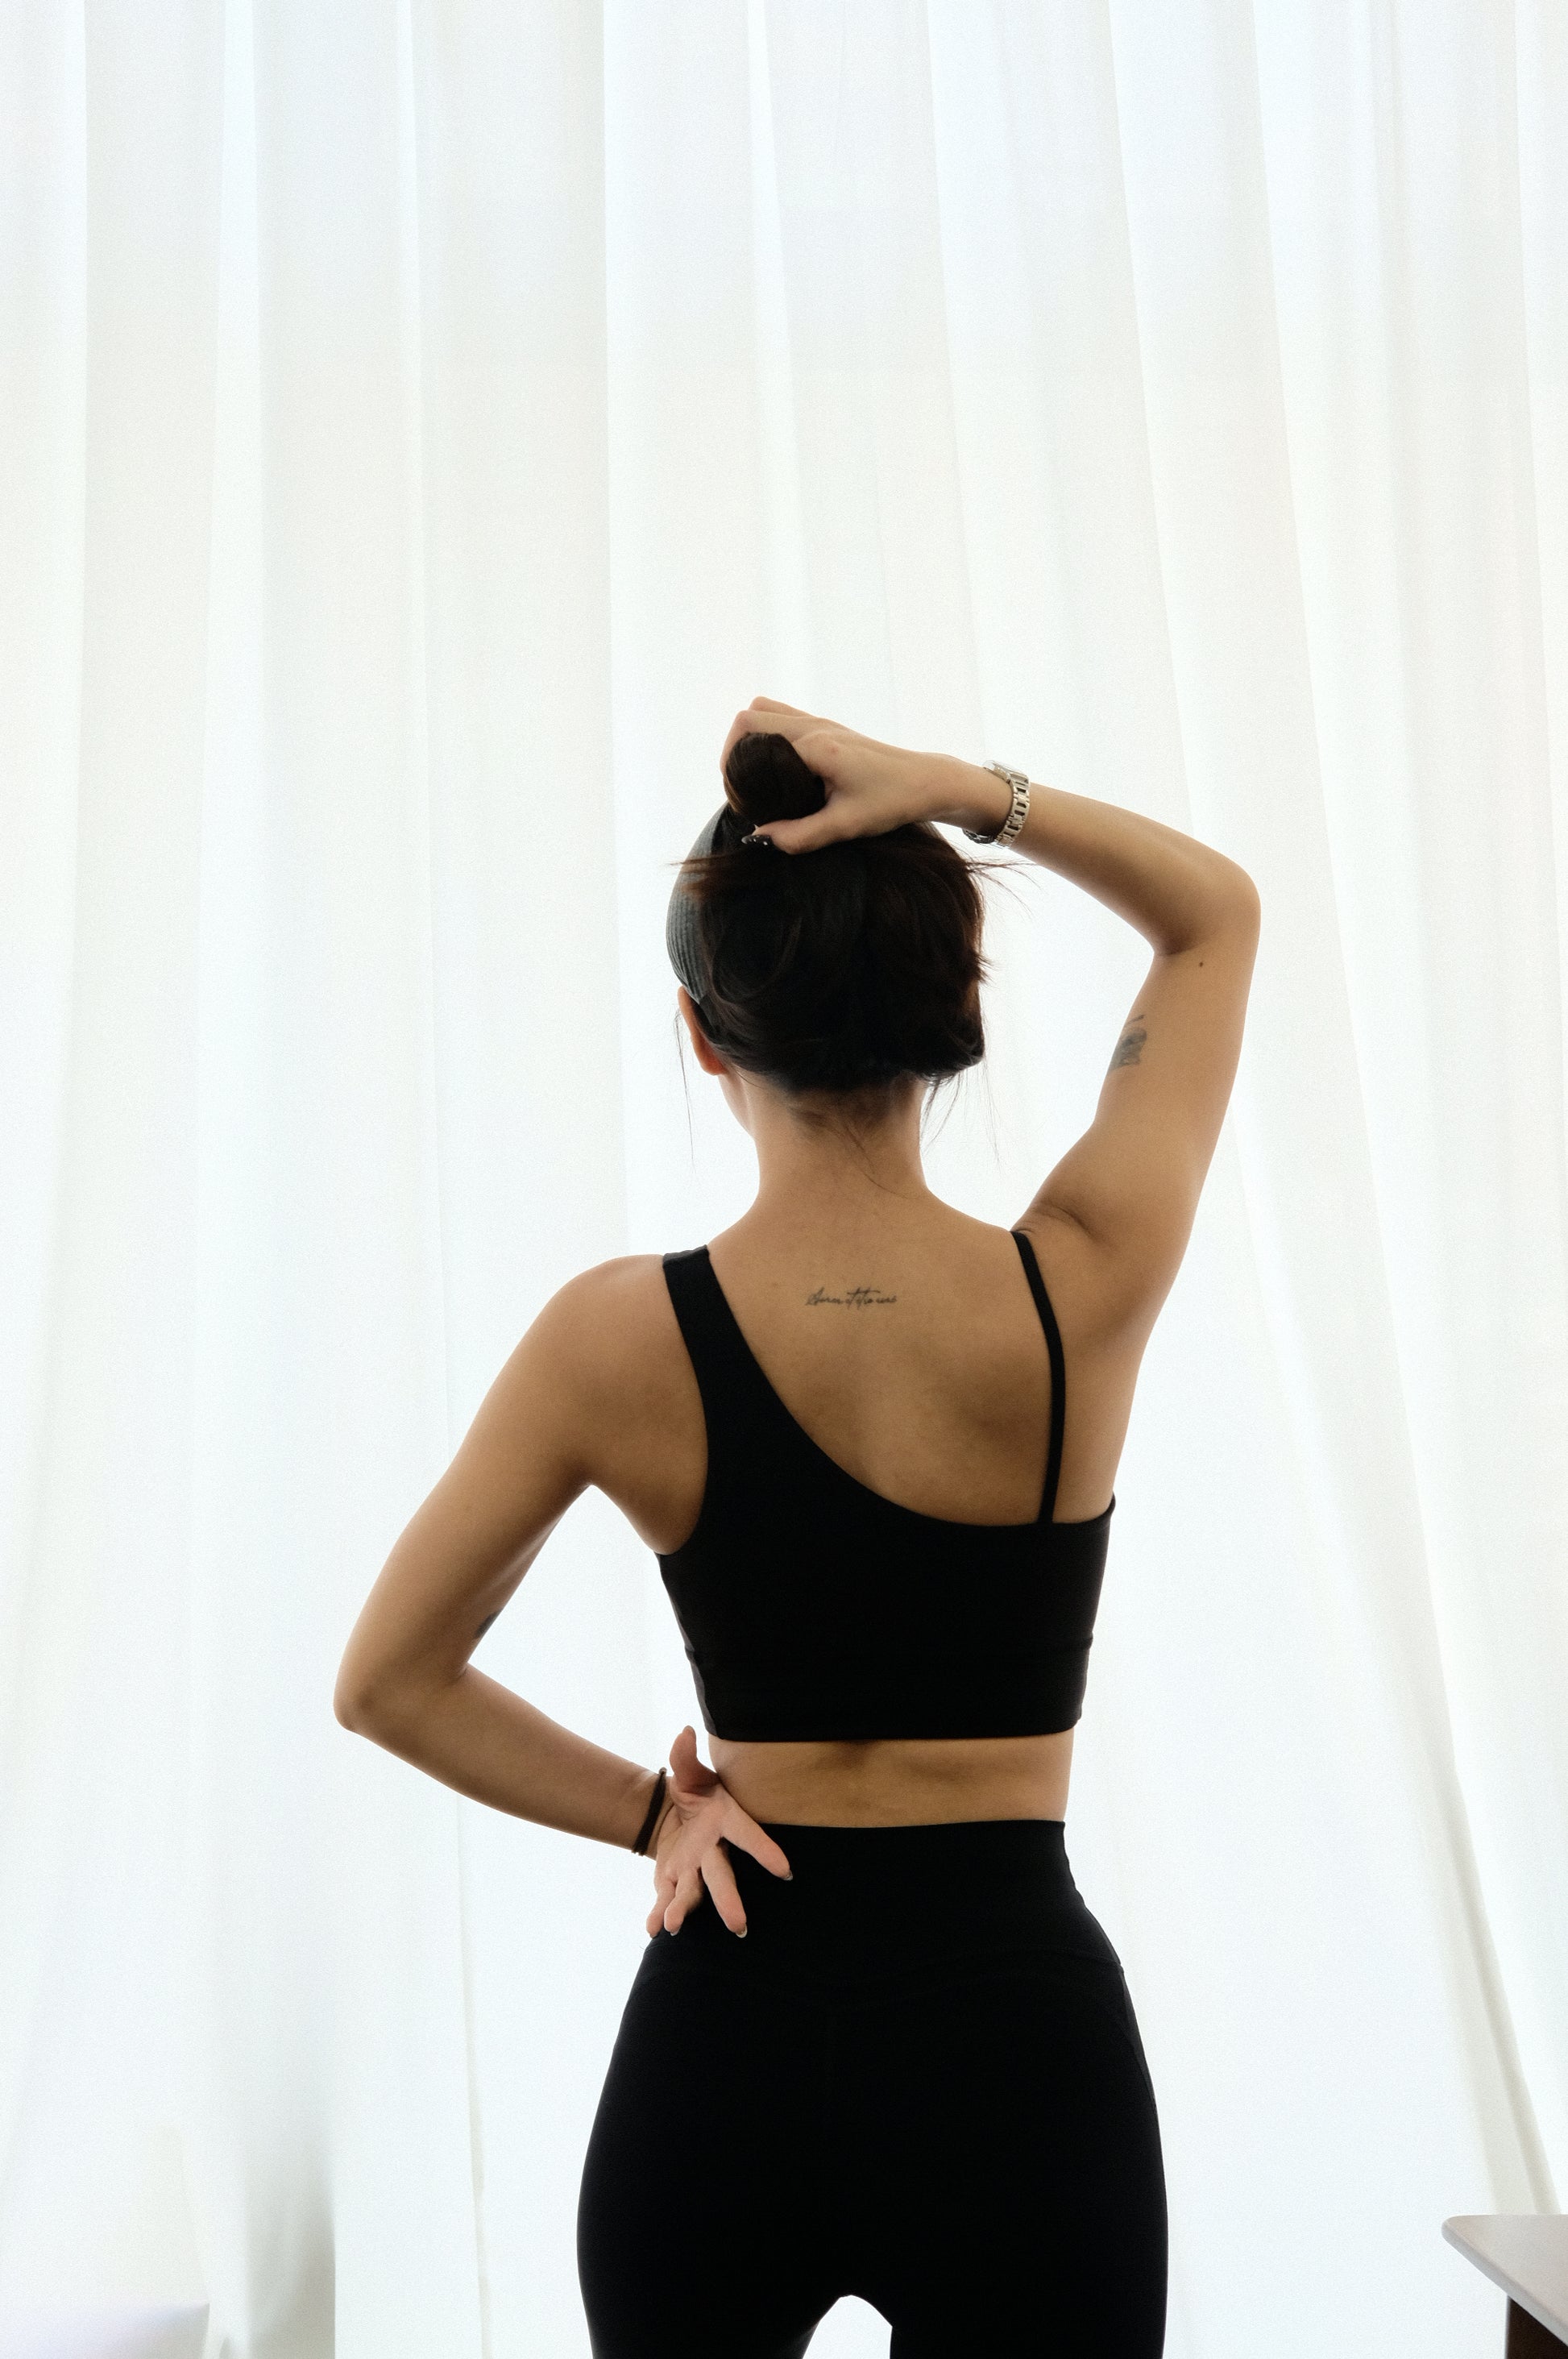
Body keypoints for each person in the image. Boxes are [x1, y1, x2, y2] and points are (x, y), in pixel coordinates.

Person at [334, 697, 1260, 2357]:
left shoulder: (613, 1341)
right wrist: (958, 791)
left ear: (703, 1034)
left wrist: (653, 1817)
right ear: (959, 1014)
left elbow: (388, 1683)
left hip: (732, 2032)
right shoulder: (1082, 1285)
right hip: (1016, 2059)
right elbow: (1212, 914)